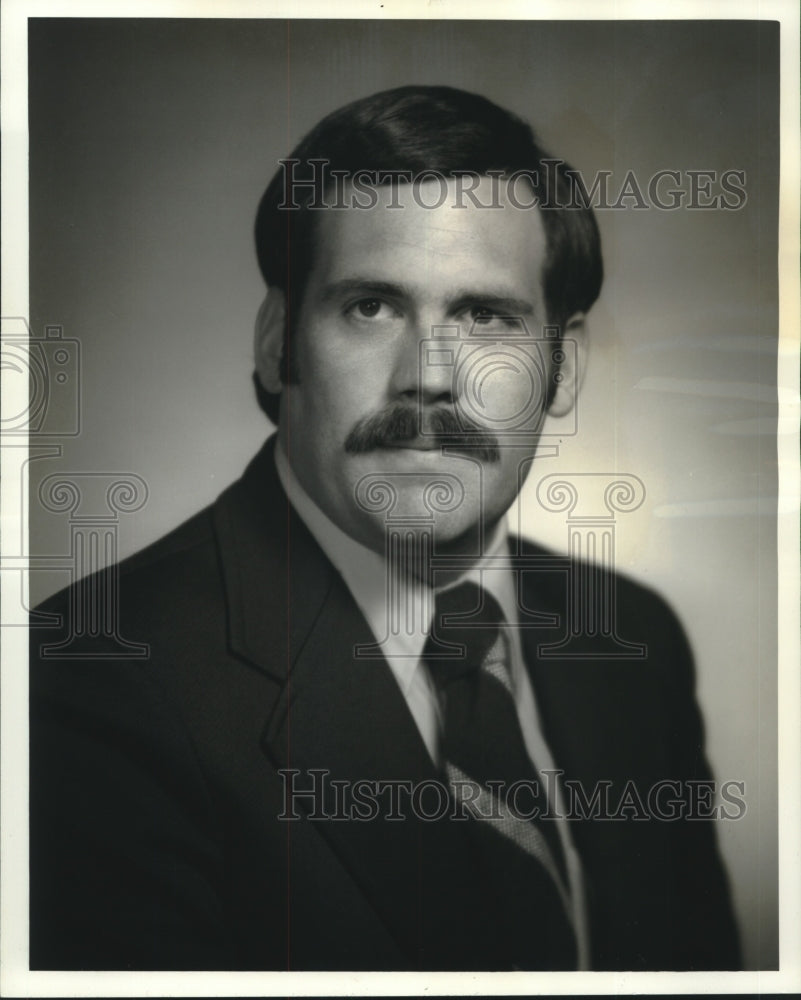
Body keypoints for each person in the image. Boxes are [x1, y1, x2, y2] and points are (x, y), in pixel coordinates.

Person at [29, 85, 740, 972]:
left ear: (564, 369)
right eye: (370, 307)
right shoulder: (90, 683)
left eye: (486, 316)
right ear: (277, 339)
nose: (429, 379)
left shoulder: (634, 640)